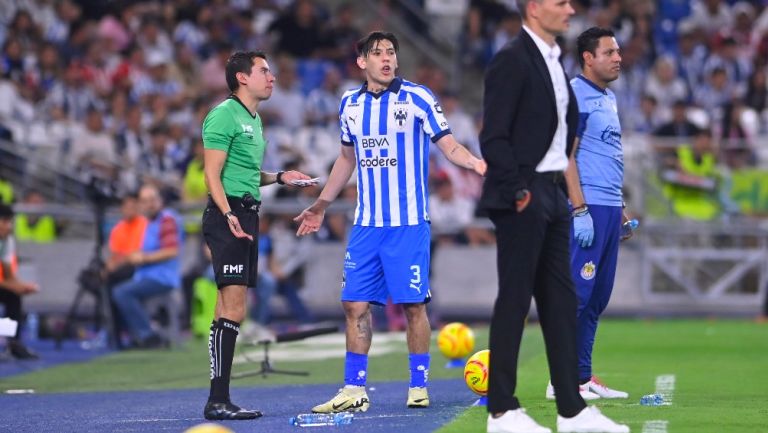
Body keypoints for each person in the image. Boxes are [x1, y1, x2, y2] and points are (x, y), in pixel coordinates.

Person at [294, 31, 486, 414]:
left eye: (391, 52)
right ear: (362, 62)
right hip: (367, 225)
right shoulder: (349, 104)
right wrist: (320, 204)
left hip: (408, 223)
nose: (386, 58)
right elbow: (346, 159)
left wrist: (477, 163)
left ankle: (418, 385)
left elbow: (448, 145)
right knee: (353, 305)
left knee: (414, 306)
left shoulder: (418, 98)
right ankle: (354, 388)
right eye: (377, 53)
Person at [478, 2, 629, 432]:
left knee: (562, 304)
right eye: (560, 1)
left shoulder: (553, 62)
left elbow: (559, 138)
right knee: (514, 300)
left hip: (553, 196)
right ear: (533, 7)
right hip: (525, 195)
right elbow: (493, 135)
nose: (570, 8)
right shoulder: (511, 59)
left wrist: (559, 197)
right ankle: (502, 411)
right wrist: (518, 192)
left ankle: (572, 410)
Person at [200, 50, 312, 421]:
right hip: (229, 214)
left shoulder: (254, 119)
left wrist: (280, 177)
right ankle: (218, 400)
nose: (272, 76)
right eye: (264, 70)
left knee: (227, 309)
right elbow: (212, 174)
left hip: (246, 213)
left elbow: (248, 172)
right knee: (233, 308)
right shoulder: (223, 114)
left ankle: (219, 397)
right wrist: (229, 214)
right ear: (242, 78)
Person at [552, 27, 631, 402]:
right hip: (587, 207)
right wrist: (580, 209)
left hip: (609, 207)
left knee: (597, 296)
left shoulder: (608, 97)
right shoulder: (575, 95)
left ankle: (582, 377)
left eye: (618, 51)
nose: (618, 57)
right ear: (588, 57)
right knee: (577, 295)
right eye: (610, 52)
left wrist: (620, 210)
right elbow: (566, 155)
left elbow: (605, 156)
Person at [111, 184, 182, 349]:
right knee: (114, 287)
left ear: (160, 201)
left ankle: (148, 336)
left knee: (121, 292)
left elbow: (172, 251)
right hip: (145, 275)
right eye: (144, 201)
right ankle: (127, 337)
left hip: (162, 277)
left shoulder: (166, 220)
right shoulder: (147, 223)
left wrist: (144, 258)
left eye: (152, 200)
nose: (149, 204)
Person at [0, 203, 39, 360]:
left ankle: (12, 344)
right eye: (5, 221)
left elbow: (8, 275)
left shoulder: (6, 242)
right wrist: (15, 286)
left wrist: (22, 287)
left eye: (10, 222)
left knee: (13, 297)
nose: (9, 226)